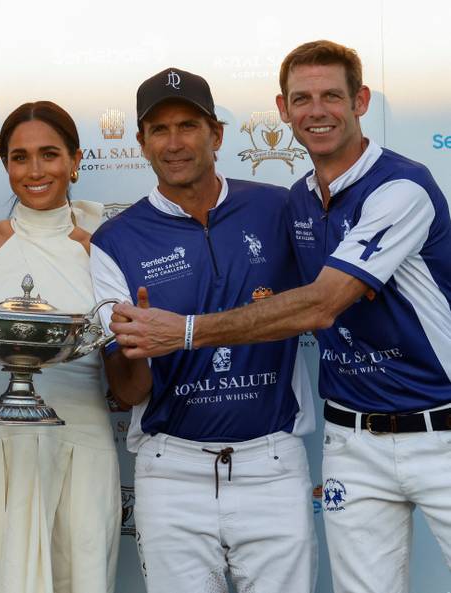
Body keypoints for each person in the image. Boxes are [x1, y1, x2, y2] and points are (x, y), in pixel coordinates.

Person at [110, 41, 451, 593]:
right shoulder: (295, 202)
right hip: (352, 440)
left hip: (441, 428)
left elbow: (321, 303)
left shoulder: (400, 187)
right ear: (283, 108)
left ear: (361, 100)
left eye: (331, 96)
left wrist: (188, 331)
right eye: (302, 98)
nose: (317, 111)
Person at [90, 68, 316, 593]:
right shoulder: (115, 241)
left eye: (188, 126)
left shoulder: (279, 207)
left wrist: (185, 331)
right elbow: (128, 391)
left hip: (273, 463)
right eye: (160, 130)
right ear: (141, 142)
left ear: (216, 134)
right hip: (172, 471)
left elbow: (327, 304)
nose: (175, 143)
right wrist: (135, 345)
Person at [0, 101, 121, 593]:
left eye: (49, 155)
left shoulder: (103, 249)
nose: (34, 170)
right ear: (4, 163)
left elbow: (125, 362)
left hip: (81, 439)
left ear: (75, 160)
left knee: (79, 573)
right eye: (19, 157)